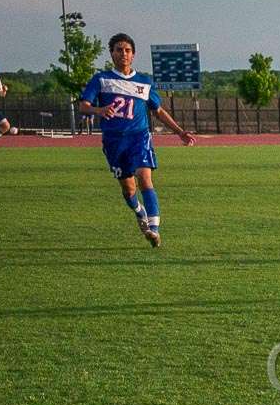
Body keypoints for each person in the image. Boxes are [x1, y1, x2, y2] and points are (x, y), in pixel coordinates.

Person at [79, 33, 195, 248]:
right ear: (111, 53)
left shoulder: (144, 82)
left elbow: (158, 110)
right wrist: (99, 109)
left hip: (139, 138)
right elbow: (83, 105)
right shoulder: (102, 79)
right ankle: (139, 211)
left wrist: (180, 131)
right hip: (114, 142)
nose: (123, 53)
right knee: (129, 190)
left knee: (145, 179)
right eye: (119, 49)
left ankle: (154, 229)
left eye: (127, 50)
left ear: (133, 55)